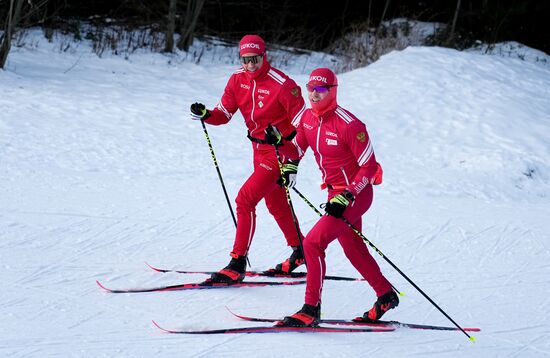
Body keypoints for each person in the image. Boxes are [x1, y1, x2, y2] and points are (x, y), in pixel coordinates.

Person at [264, 68, 399, 326]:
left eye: (321, 90)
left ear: (332, 91)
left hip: (356, 194)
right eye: (311, 89)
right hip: (335, 192)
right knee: (353, 250)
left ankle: (310, 308)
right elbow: (297, 150)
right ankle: (385, 295)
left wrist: (347, 195)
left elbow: (369, 166)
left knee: (312, 244)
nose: (314, 95)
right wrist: (280, 141)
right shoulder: (306, 119)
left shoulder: (350, 125)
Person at [189, 34, 307, 283]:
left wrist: (292, 158)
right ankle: (301, 251)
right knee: (275, 203)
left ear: (265, 56)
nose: (251, 65)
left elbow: (303, 127)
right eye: (246, 60)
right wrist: (206, 114)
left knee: (245, 199)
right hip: (257, 149)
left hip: (278, 150)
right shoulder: (237, 80)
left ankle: (237, 262)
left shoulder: (283, 85)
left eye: (256, 59)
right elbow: (223, 113)